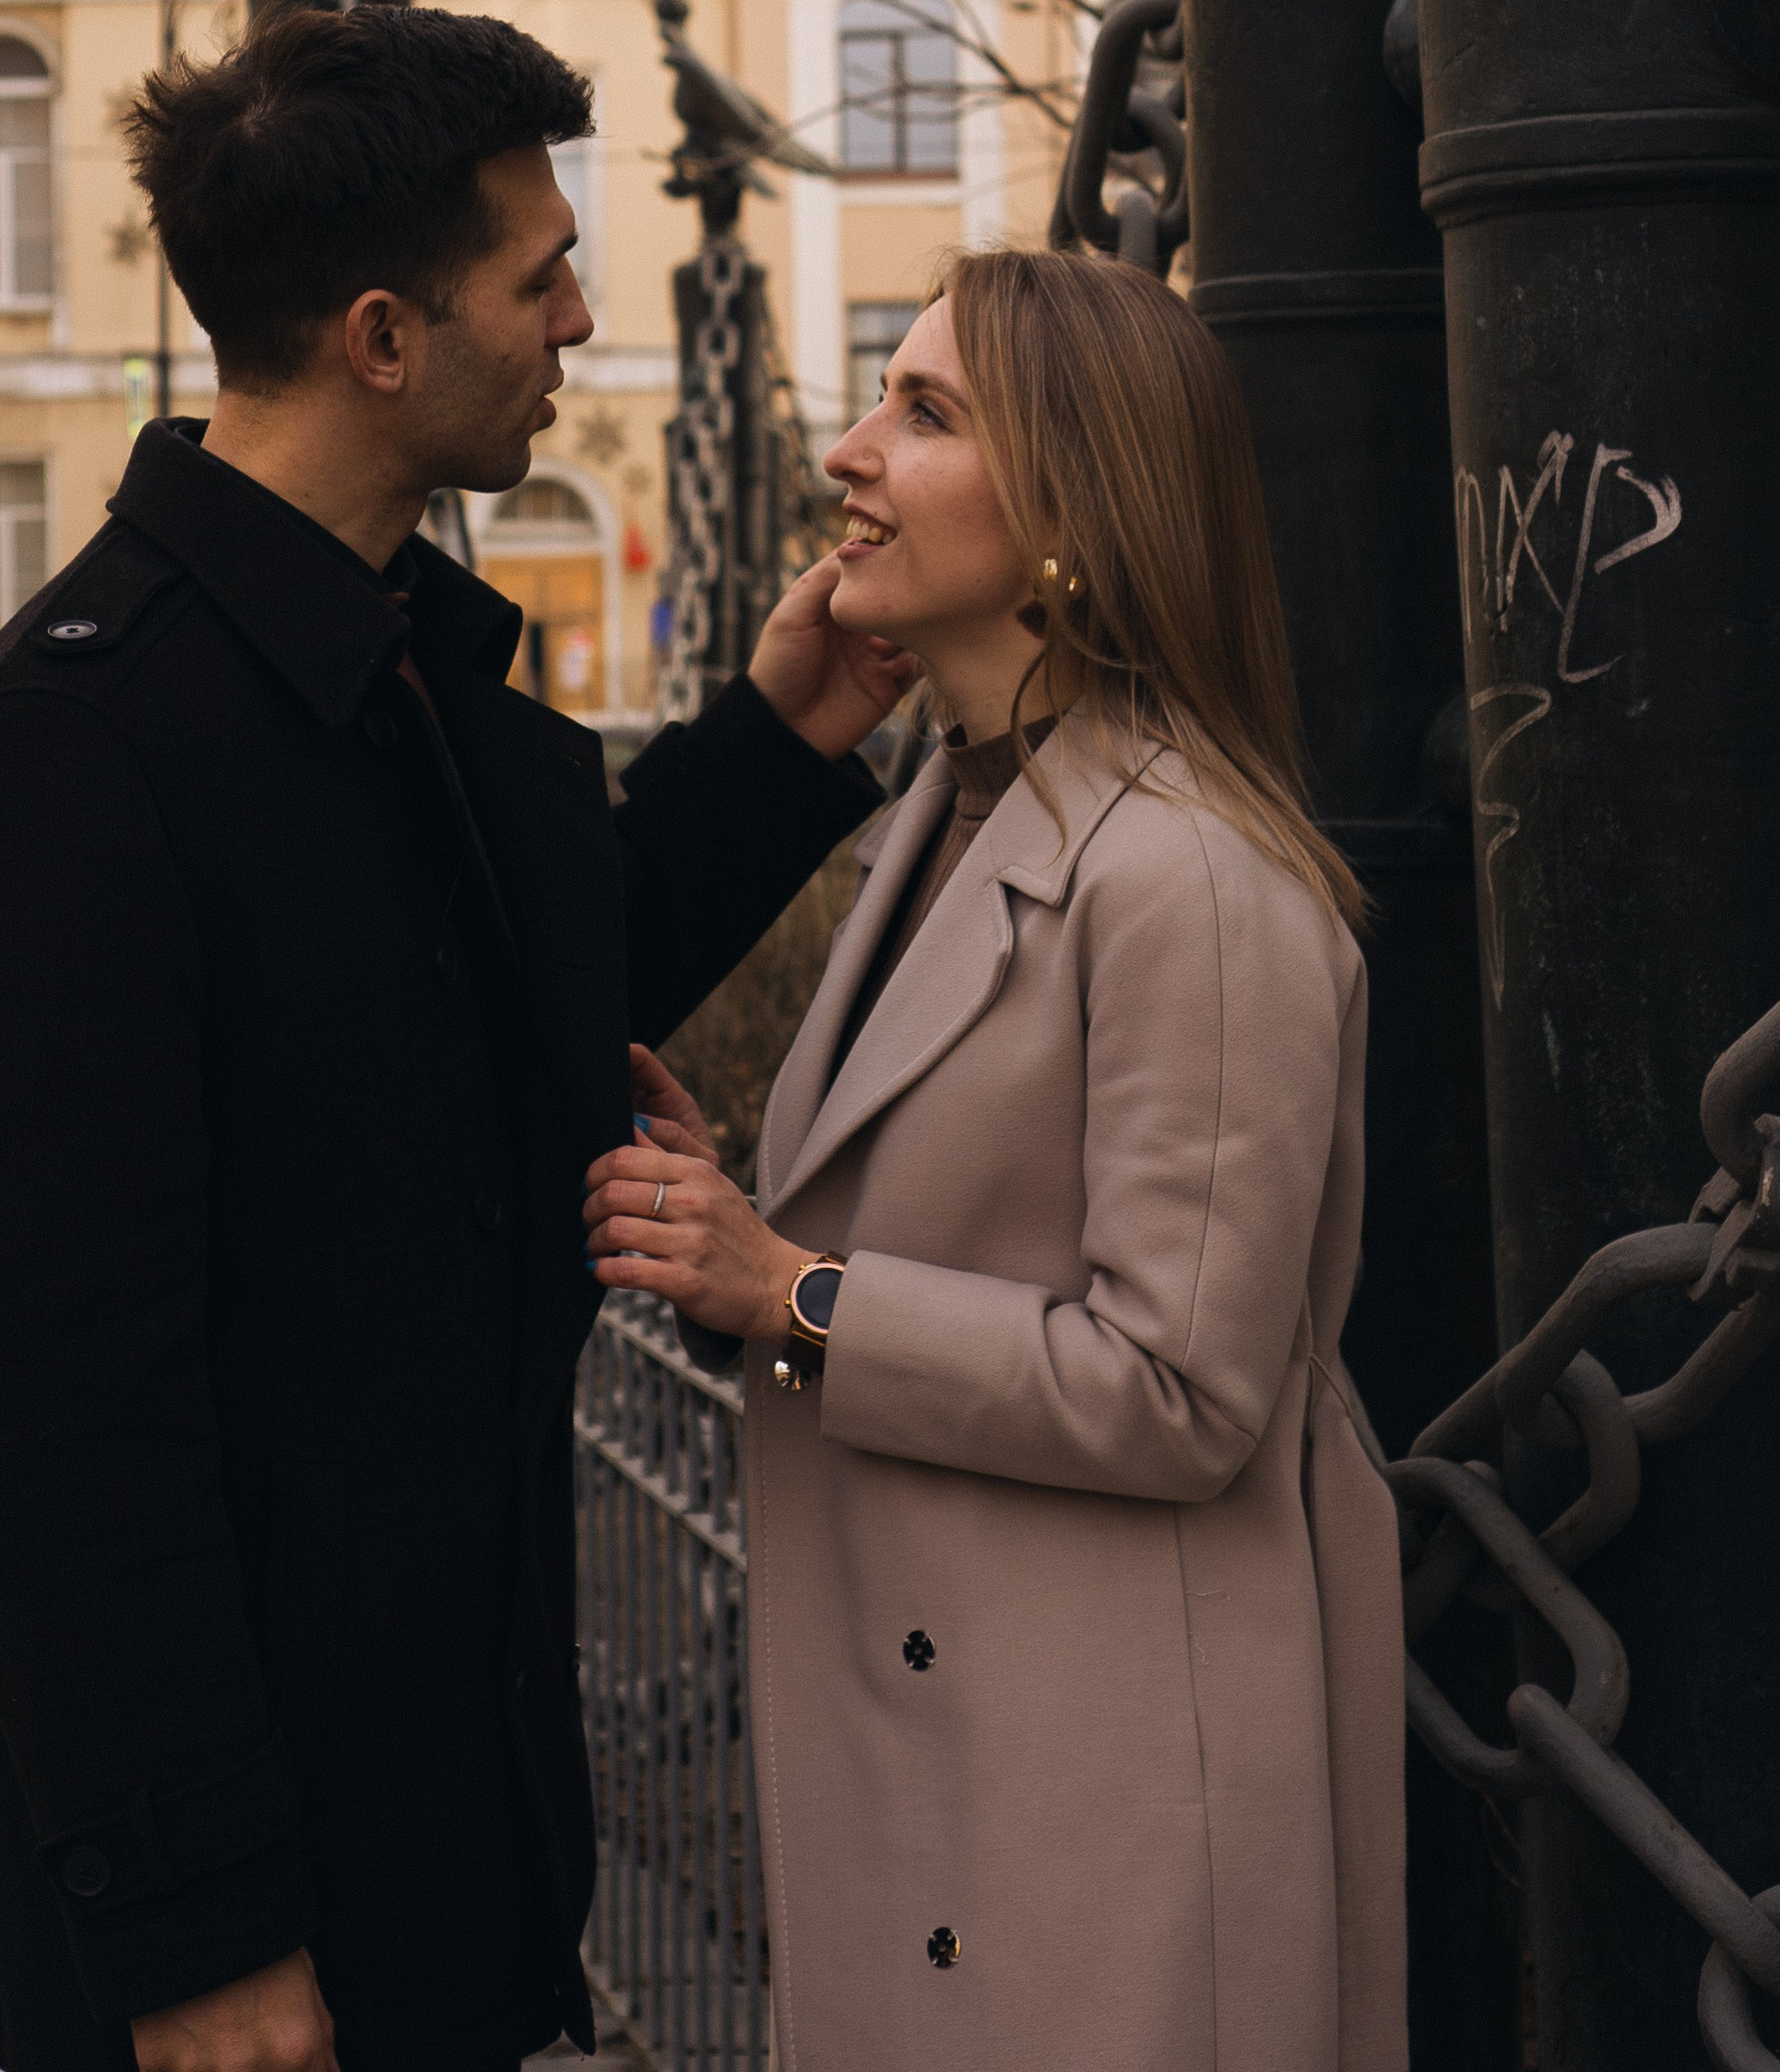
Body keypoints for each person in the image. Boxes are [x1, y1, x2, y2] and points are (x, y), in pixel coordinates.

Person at [0, 6, 899, 2072]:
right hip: (241, 1951)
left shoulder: (382, 664)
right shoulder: (74, 751)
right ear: (381, 338)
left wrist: (790, 731)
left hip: (440, 1854)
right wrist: (203, 1934)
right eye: (539, 277)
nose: (580, 319)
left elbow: (508, 1009)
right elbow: (51, 1427)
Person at [585, 246, 1408, 2072]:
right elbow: (942, 1236)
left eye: (926, 413)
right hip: (941, 1771)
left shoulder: (1191, 875)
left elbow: (1182, 1389)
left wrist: (786, 1287)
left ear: (1076, 514)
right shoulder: (944, 812)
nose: (850, 452)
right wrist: (743, 1236)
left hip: (1092, 1827)